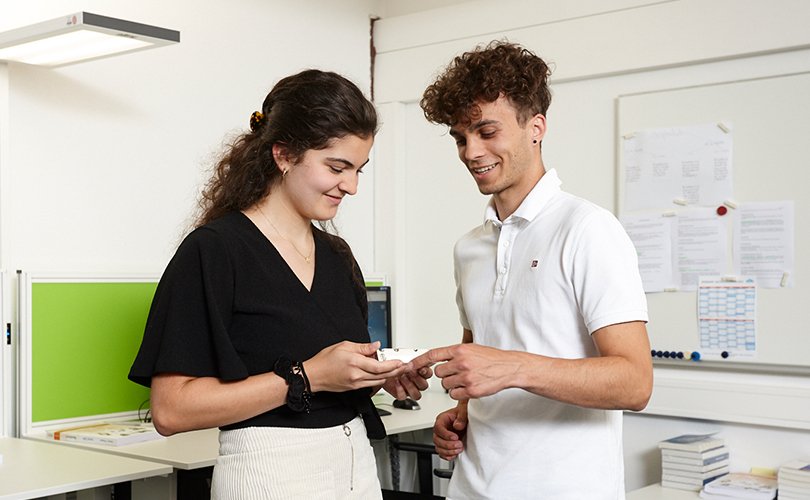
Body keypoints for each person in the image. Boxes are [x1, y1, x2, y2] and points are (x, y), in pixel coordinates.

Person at [129, 69, 429, 500]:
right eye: (337, 167)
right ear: (284, 154)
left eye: (359, 169)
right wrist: (307, 377)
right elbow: (170, 410)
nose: (352, 186)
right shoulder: (214, 251)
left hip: (355, 470)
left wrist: (376, 376)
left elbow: (332, 372)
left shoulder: (338, 257)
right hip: (267, 476)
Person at [411, 41, 653, 499]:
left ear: (535, 127)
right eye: (460, 138)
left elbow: (635, 382)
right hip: (472, 488)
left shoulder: (588, 229)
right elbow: (479, 357)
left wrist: (513, 368)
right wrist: (460, 414)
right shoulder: (470, 248)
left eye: (486, 132)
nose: (470, 151)